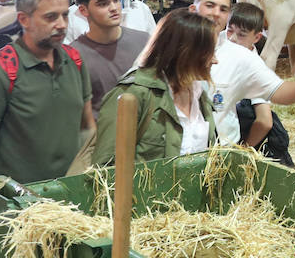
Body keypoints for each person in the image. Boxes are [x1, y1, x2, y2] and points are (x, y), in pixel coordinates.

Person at [0, 0, 93, 185]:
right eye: (50, 17)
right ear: (24, 19)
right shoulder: (0, 71)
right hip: (21, 207)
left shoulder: (74, 61)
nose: (61, 24)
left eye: (65, 15)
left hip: (72, 199)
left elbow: (87, 128)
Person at [189, 0, 295, 146]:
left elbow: (280, 91)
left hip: (221, 153)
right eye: (210, 5)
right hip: (178, 153)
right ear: (193, 9)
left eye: (223, 9)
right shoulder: (173, 46)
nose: (215, 13)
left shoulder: (241, 56)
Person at [91, 10, 217, 166]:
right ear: (186, 53)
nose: (215, 60)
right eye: (209, 53)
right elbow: (103, 168)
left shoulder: (200, 95)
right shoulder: (135, 93)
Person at [68, 0, 149, 118]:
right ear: (83, 10)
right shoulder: (74, 56)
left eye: (116, 0)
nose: (113, 8)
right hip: (102, 136)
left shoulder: (144, 42)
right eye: (103, 4)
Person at [226, 2, 293, 166]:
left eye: (241, 35)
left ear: (256, 37)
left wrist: (243, 151)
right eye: (229, 30)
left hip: (247, 140)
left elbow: (264, 121)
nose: (233, 39)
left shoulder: (255, 68)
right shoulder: (223, 50)